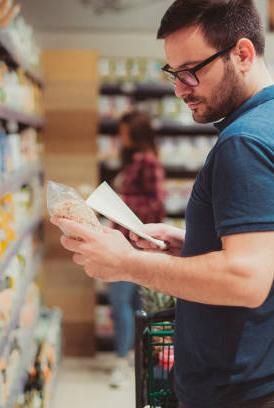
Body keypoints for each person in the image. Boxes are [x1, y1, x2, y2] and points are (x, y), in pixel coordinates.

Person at [50, 0, 274, 407]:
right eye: (173, 73)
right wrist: (193, 244)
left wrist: (126, 263)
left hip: (254, 392)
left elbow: (246, 280)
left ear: (243, 54)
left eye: (191, 72)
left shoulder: (246, 142)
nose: (180, 88)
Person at [107, 111, 166, 388]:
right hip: (126, 241)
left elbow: (155, 204)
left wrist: (120, 201)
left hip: (134, 244)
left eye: (124, 130)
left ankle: (127, 361)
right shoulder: (132, 160)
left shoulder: (148, 161)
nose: (121, 136)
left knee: (123, 303)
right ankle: (132, 360)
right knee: (130, 305)